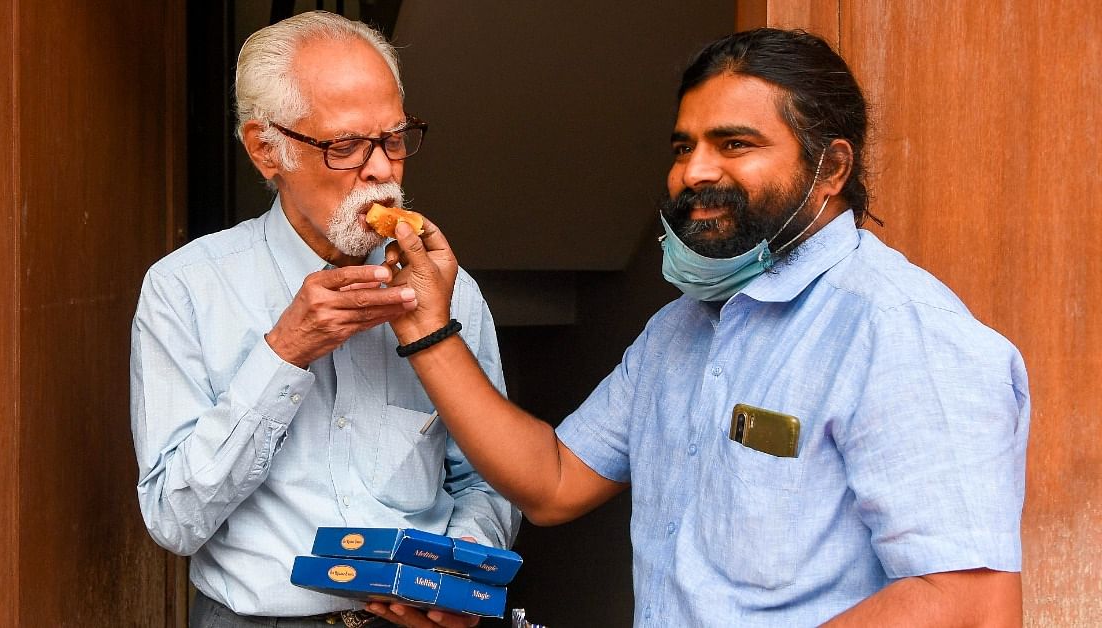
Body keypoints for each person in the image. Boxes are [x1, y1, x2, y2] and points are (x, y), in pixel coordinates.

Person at [367, 28, 1029, 627]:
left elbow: (967, 603)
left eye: (734, 144)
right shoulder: (677, 332)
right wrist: (428, 327)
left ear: (831, 169)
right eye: (684, 147)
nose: (695, 172)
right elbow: (554, 480)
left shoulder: (903, 332)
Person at [129, 11, 518, 628]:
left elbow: (491, 478)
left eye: (394, 139)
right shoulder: (186, 290)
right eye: (346, 147)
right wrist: (285, 351)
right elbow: (174, 520)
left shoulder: (450, 292)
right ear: (266, 150)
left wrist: (462, 568)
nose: (383, 171)